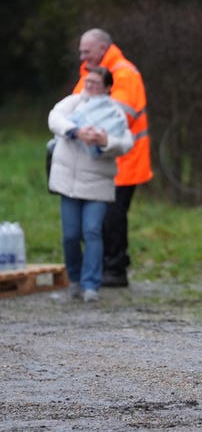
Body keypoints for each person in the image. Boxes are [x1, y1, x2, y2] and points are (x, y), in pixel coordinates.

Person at [73, 28, 153, 287]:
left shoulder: (123, 74)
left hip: (125, 160)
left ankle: (116, 269)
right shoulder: (91, 73)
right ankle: (107, 266)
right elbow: (75, 107)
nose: (82, 56)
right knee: (103, 217)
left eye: (86, 51)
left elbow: (114, 117)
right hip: (101, 160)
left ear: (101, 48)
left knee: (113, 217)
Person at [48, 67, 133, 302]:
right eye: (88, 81)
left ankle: (90, 286)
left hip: (98, 184)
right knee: (71, 235)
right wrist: (75, 131)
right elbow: (54, 119)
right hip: (68, 183)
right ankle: (74, 280)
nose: (90, 86)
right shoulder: (73, 104)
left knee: (93, 231)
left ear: (107, 87)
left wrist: (106, 141)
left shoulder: (115, 113)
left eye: (96, 83)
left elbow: (126, 142)